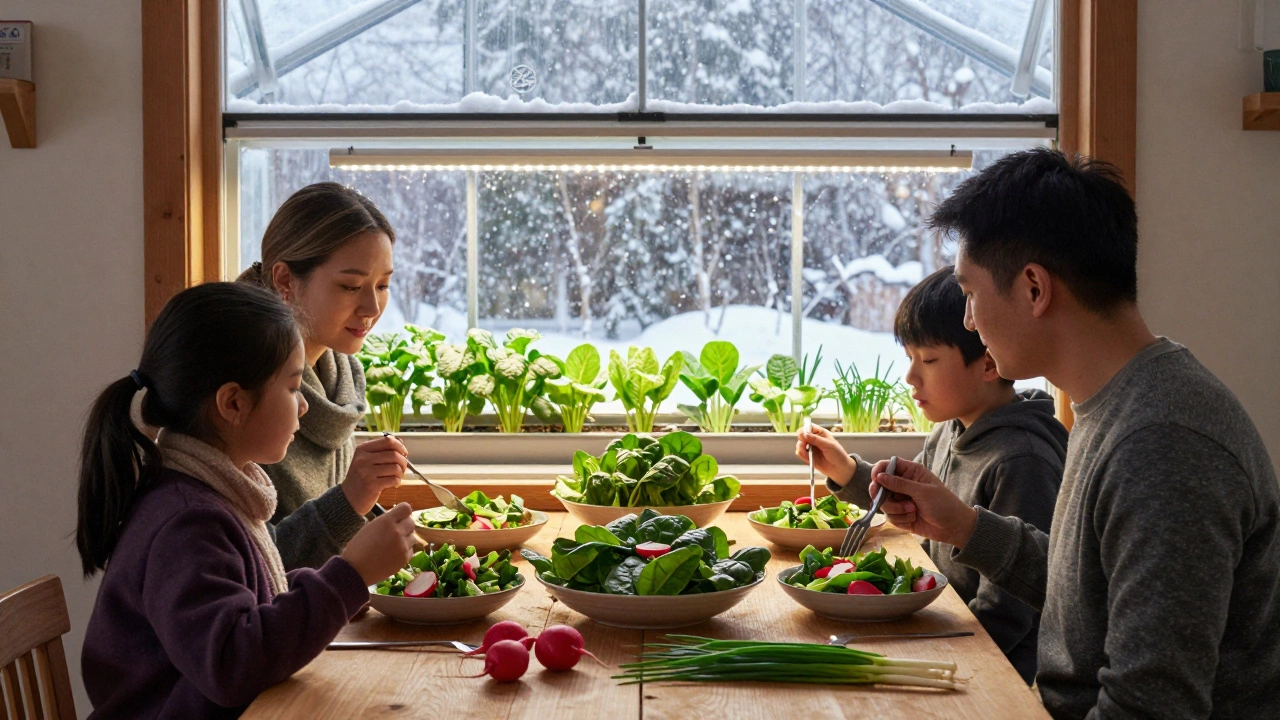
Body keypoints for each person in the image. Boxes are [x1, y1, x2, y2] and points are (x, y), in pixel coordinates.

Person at [863, 148, 1280, 718]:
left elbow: (1149, 706)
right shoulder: (1112, 402)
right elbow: (1085, 601)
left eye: (969, 293)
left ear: (1034, 288)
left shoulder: (1163, 443)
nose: (967, 320)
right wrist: (960, 523)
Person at [77, 282, 417, 718]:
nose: (304, 408)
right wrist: (349, 576)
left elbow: (252, 608)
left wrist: (340, 589)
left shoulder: (212, 494)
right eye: (294, 389)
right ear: (233, 403)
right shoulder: (187, 522)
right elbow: (232, 664)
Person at [799, 266, 1066, 684]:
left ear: (989, 362)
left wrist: (923, 655)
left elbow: (1009, 614)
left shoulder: (1022, 459)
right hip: (942, 632)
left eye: (928, 359)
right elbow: (912, 505)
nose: (910, 377)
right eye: (909, 358)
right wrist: (846, 470)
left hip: (988, 672)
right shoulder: (951, 427)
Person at [238, 182, 409, 570]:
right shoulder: (239, 388)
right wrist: (350, 499)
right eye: (351, 286)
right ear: (285, 281)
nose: (372, 307)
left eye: (383, 285)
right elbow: (249, 569)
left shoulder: (338, 375)